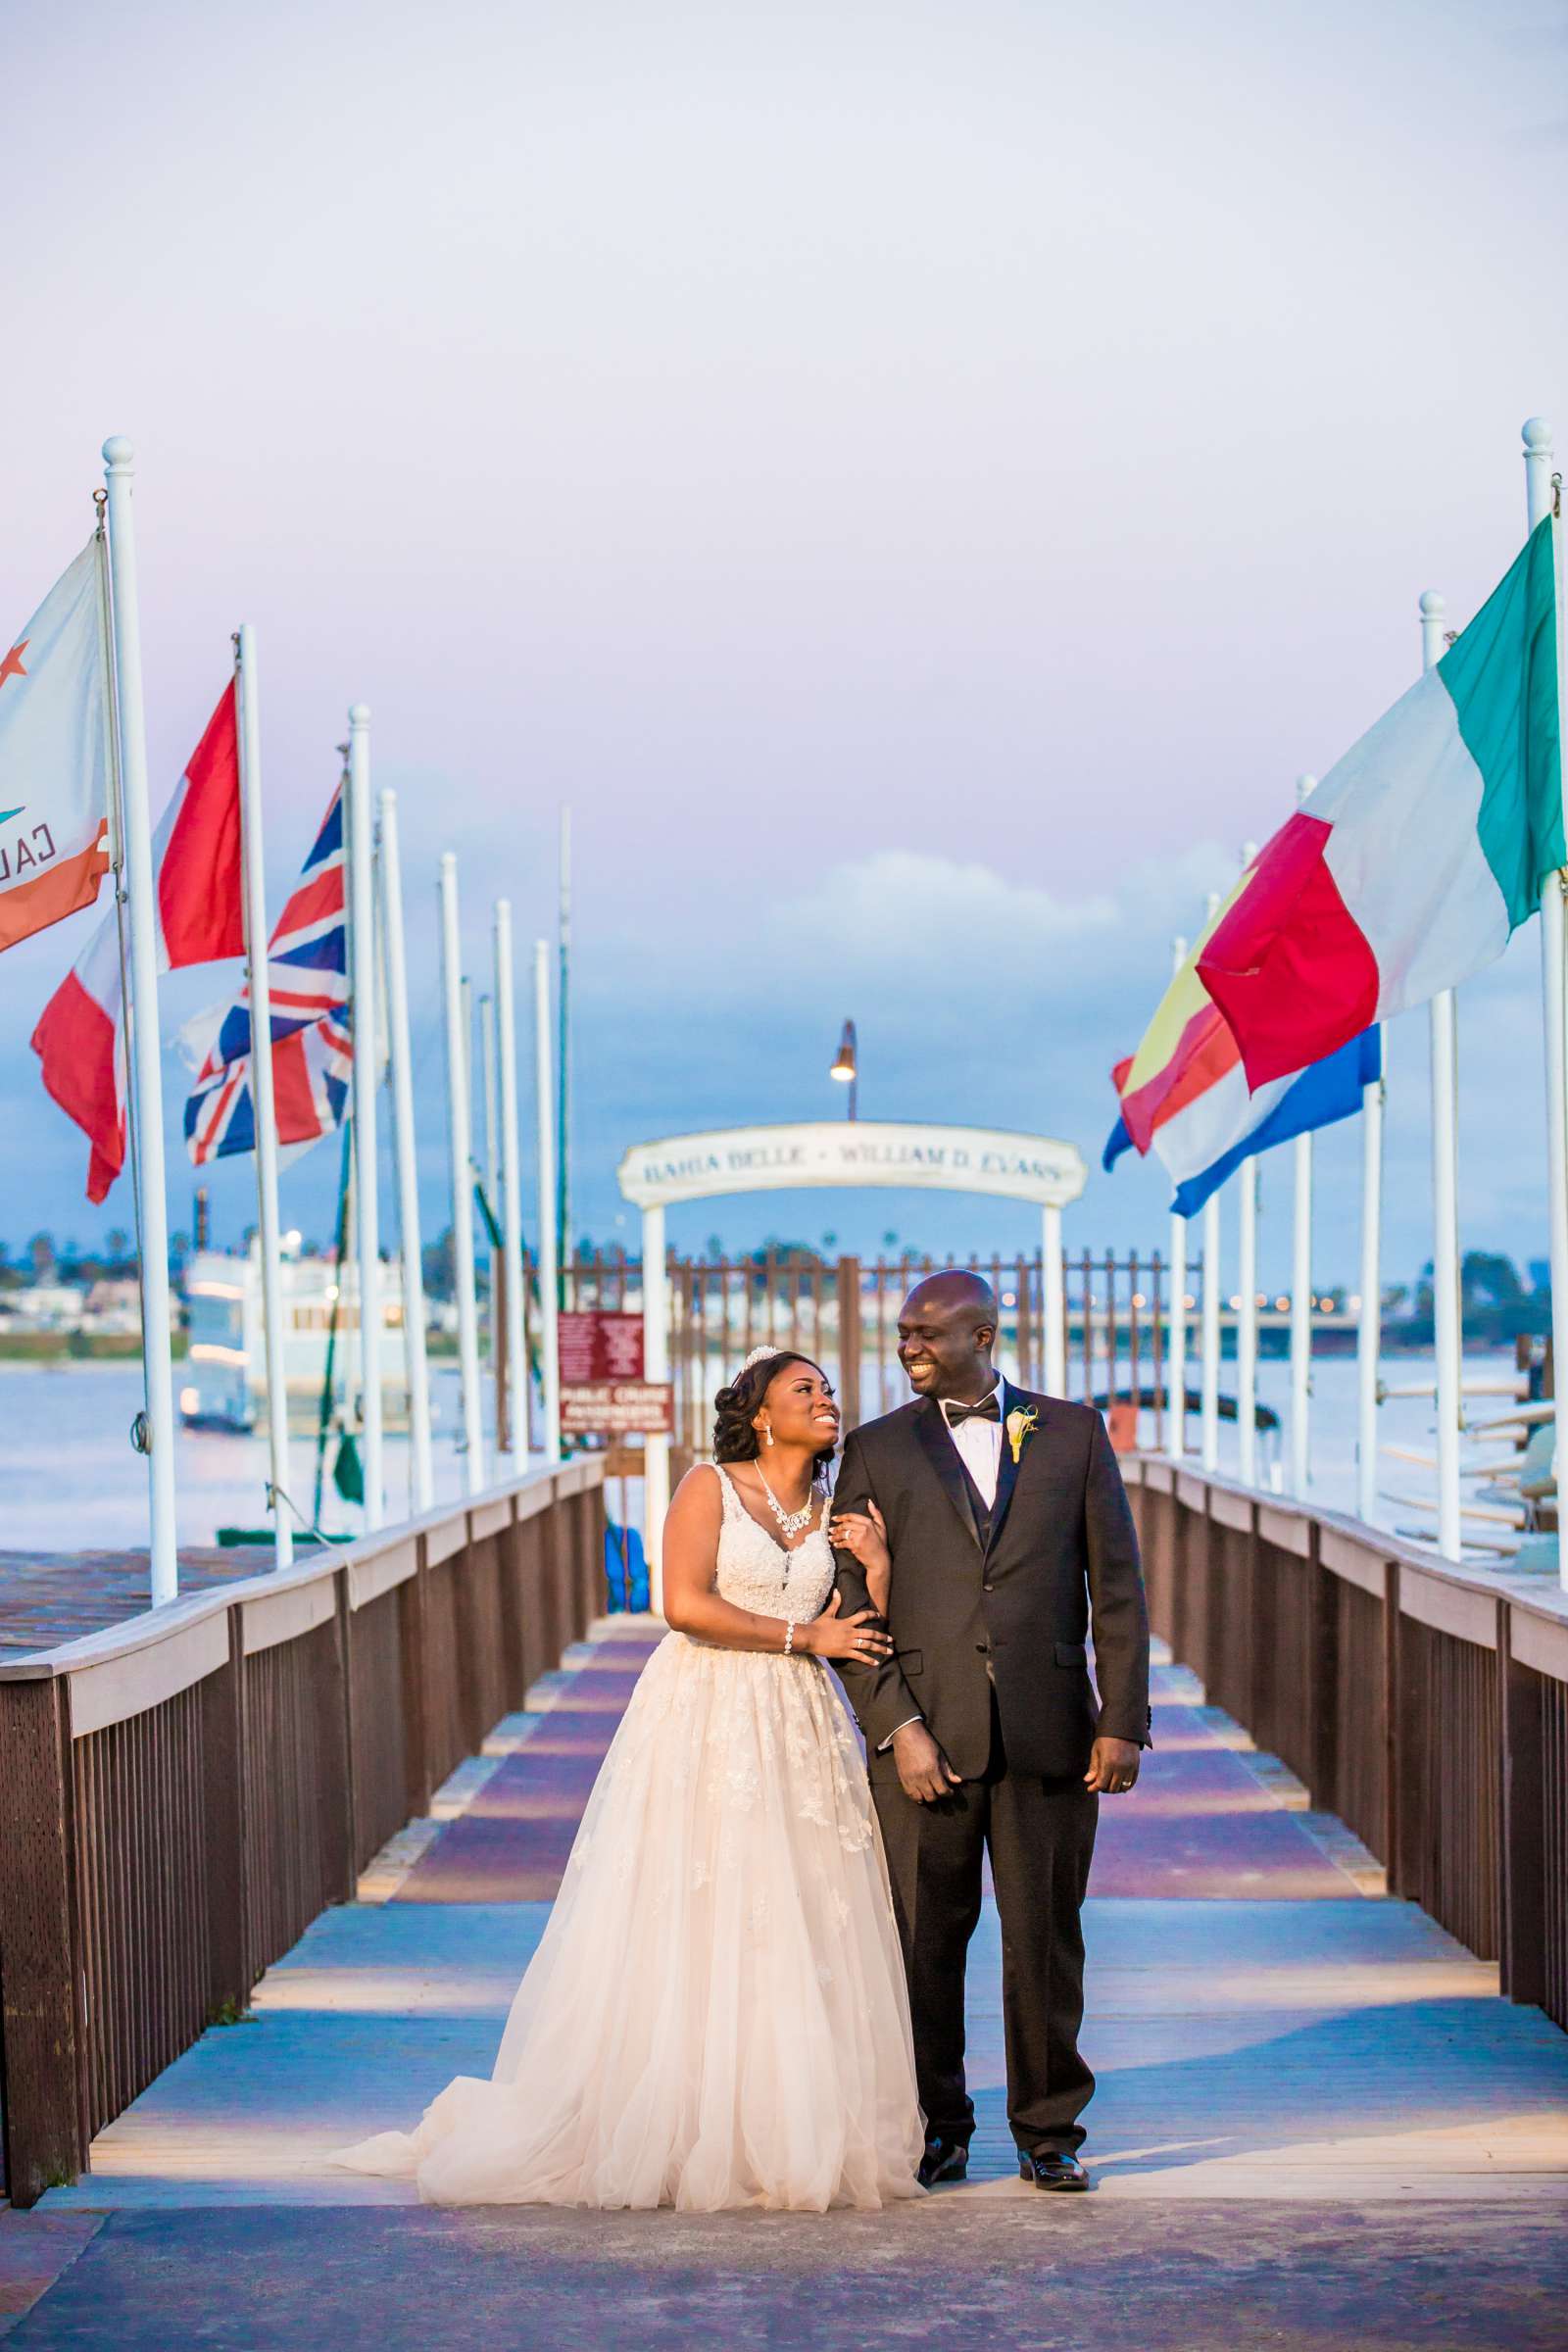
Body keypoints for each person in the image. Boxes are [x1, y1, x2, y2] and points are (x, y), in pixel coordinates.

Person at [332, 1348, 924, 2212]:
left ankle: (773, 2123)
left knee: (794, 1915)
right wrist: (804, 1640)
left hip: (798, 1725)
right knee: (705, 1905)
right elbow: (679, 1603)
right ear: (761, 1414)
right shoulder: (708, 1487)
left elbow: (859, 1627)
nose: (827, 1400)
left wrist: (876, 1567)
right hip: (708, 1713)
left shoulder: (835, 1511)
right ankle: (676, 2121)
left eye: (829, 1389)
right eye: (806, 1390)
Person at [829, 1270, 1150, 2192]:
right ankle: (938, 2128)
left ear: (986, 1334)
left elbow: (1116, 1588)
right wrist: (898, 1728)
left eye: (928, 1332)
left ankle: (1050, 2136)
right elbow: (850, 1605)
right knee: (923, 1941)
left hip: (1051, 1733)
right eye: (902, 1334)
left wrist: (1121, 1719)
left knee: (1045, 1941)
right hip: (925, 1740)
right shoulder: (876, 1449)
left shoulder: (1075, 1434)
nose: (909, 1347)